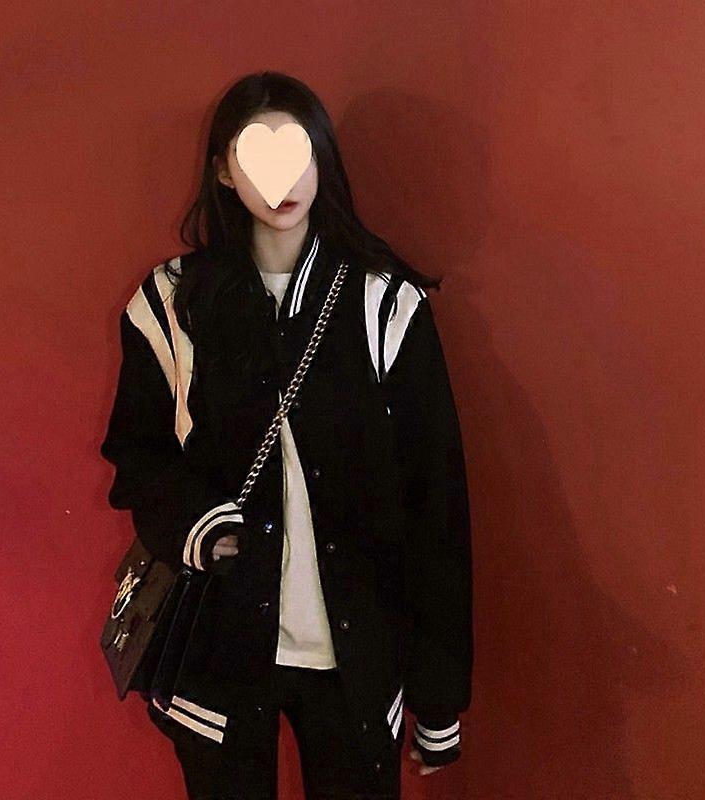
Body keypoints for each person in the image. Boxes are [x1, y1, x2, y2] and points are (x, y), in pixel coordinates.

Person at [99, 70, 474, 800]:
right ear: (222, 171)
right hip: (219, 644)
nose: (279, 179)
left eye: (296, 152)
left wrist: (438, 699)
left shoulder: (384, 305)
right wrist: (194, 523)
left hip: (356, 649)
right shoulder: (169, 304)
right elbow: (135, 455)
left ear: (322, 160)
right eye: (255, 154)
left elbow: (436, 506)